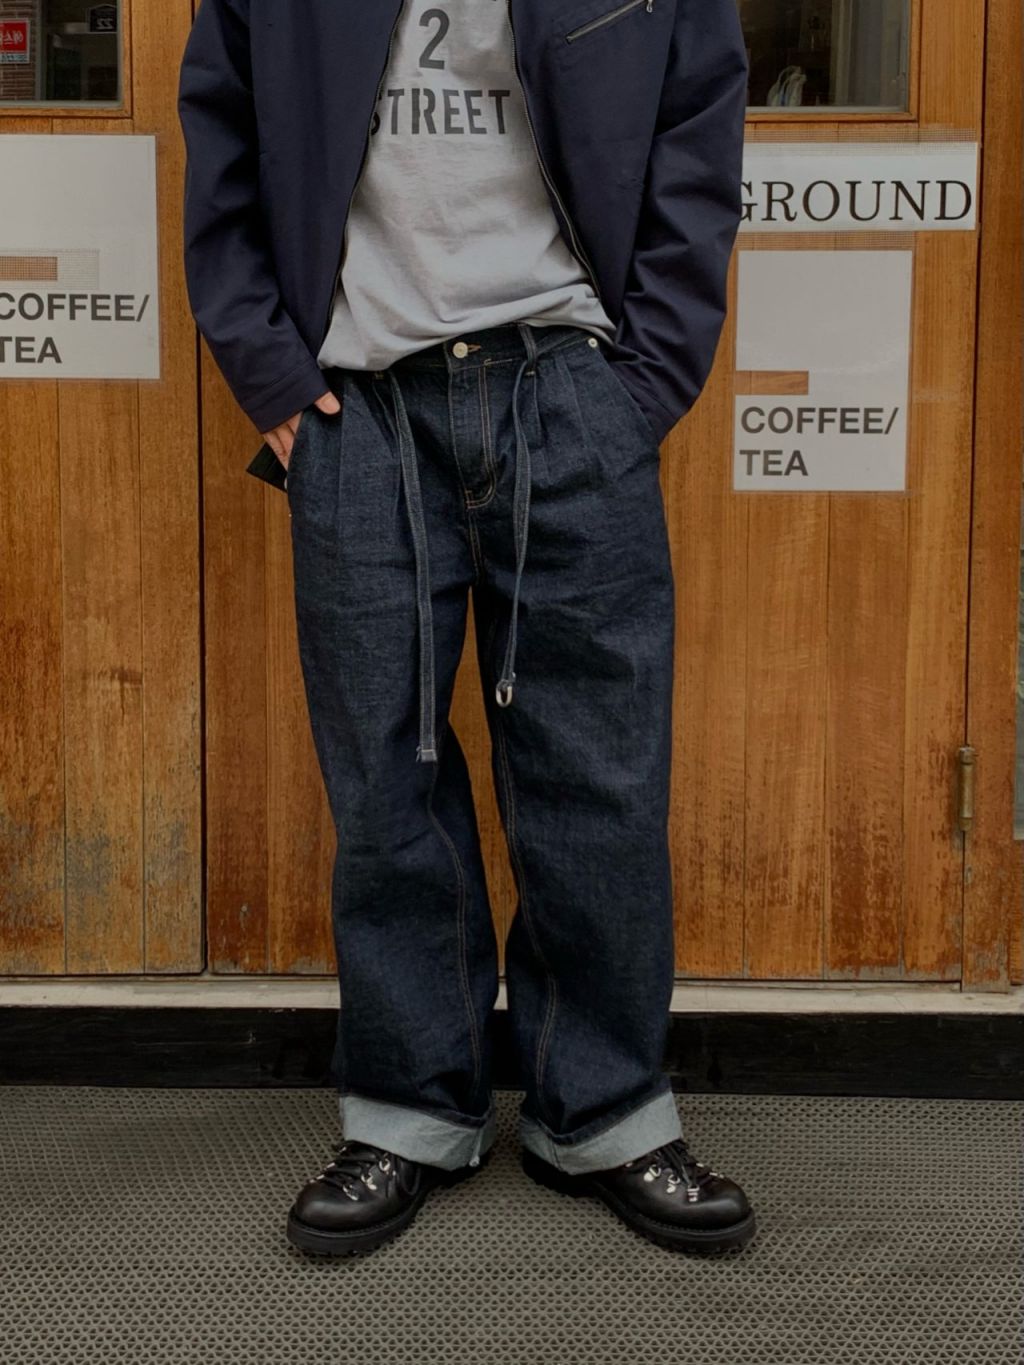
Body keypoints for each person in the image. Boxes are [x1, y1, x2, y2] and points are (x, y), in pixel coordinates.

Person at [177, 0, 755, 1258]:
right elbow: (217, 140)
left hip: (569, 387)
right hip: (360, 406)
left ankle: (602, 1111)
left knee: (597, 779)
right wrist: (271, 376)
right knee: (386, 781)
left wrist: (642, 386)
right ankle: (407, 1111)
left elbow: (698, 134)